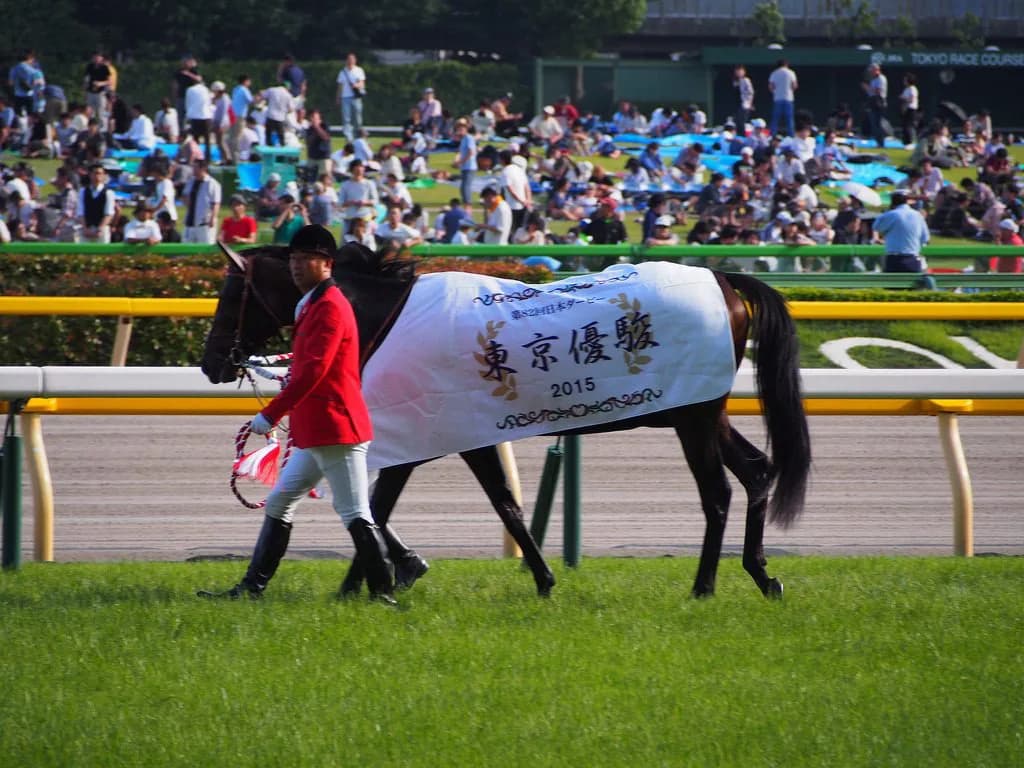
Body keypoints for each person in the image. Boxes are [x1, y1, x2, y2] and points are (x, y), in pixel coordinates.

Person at [199, 225, 397, 603]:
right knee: (280, 503)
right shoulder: (311, 303)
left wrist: (271, 415)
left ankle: (383, 595)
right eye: (293, 260)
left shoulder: (330, 307)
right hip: (316, 428)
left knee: (355, 512)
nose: (296, 267)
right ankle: (251, 589)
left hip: (335, 428)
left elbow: (313, 371)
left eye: (306, 260)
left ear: (327, 264)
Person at [874, 191, 933, 284]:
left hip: (894, 259)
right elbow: (925, 238)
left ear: (892, 203)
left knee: (892, 290)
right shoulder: (918, 215)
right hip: (914, 259)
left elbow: (877, 227)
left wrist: (886, 212)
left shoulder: (892, 215)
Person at [181, 159, 222, 244]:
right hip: (190, 221)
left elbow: (216, 203)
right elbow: (185, 194)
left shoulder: (212, 183)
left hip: (204, 223)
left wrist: (213, 218)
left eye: (195, 167)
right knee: (186, 248)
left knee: (205, 247)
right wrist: (188, 203)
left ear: (203, 168)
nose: (193, 170)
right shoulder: (191, 181)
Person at [76, 163, 115, 243]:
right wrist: (85, 228)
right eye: (95, 173)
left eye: (100, 173)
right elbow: (80, 212)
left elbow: (109, 213)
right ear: (90, 175)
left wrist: (100, 229)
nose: (97, 176)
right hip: (86, 228)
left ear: (104, 175)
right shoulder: (83, 191)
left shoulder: (108, 192)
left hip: (102, 229)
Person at [336, 53, 365, 141]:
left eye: (352, 59)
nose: (350, 61)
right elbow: (340, 86)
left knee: (357, 118)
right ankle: (348, 137)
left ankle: (357, 136)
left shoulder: (359, 70)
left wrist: (357, 85)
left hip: (356, 97)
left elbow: (362, 83)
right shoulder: (342, 72)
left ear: (355, 61)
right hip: (345, 97)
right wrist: (338, 97)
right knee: (346, 119)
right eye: (349, 59)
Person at [768, 59, 798, 137]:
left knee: (775, 119)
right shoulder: (791, 73)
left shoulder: (774, 73)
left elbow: (771, 87)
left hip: (777, 98)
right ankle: (791, 136)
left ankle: (772, 136)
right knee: (789, 119)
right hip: (789, 98)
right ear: (786, 64)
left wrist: (776, 92)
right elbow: (794, 86)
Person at [862, 63, 888, 148]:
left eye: (872, 71)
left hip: (879, 102)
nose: (871, 73)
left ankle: (881, 143)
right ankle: (878, 142)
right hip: (872, 102)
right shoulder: (873, 80)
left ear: (877, 70)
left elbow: (878, 91)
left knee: (878, 123)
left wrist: (868, 87)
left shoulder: (881, 78)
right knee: (873, 123)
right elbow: (870, 93)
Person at [453, 119, 477, 206]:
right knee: (463, 187)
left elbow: (471, 152)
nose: (460, 131)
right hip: (465, 167)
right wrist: (457, 161)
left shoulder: (469, 138)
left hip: (470, 166)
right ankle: (466, 202)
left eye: (462, 129)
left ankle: (468, 203)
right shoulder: (463, 139)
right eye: (458, 129)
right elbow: (461, 152)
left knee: (465, 187)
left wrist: (461, 162)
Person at [899, 73, 919, 149]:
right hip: (906, 109)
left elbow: (911, 99)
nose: (904, 81)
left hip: (911, 109)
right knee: (905, 126)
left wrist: (904, 99)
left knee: (909, 126)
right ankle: (906, 142)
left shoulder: (912, 89)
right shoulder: (906, 89)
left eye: (905, 80)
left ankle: (910, 143)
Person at [733, 65, 754, 129]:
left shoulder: (746, 80)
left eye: (740, 71)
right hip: (737, 103)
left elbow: (751, 92)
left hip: (745, 103)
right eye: (737, 71)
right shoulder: (735, 81)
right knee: (736, 120)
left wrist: (750, 103)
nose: (738, 73)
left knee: (742, 120)